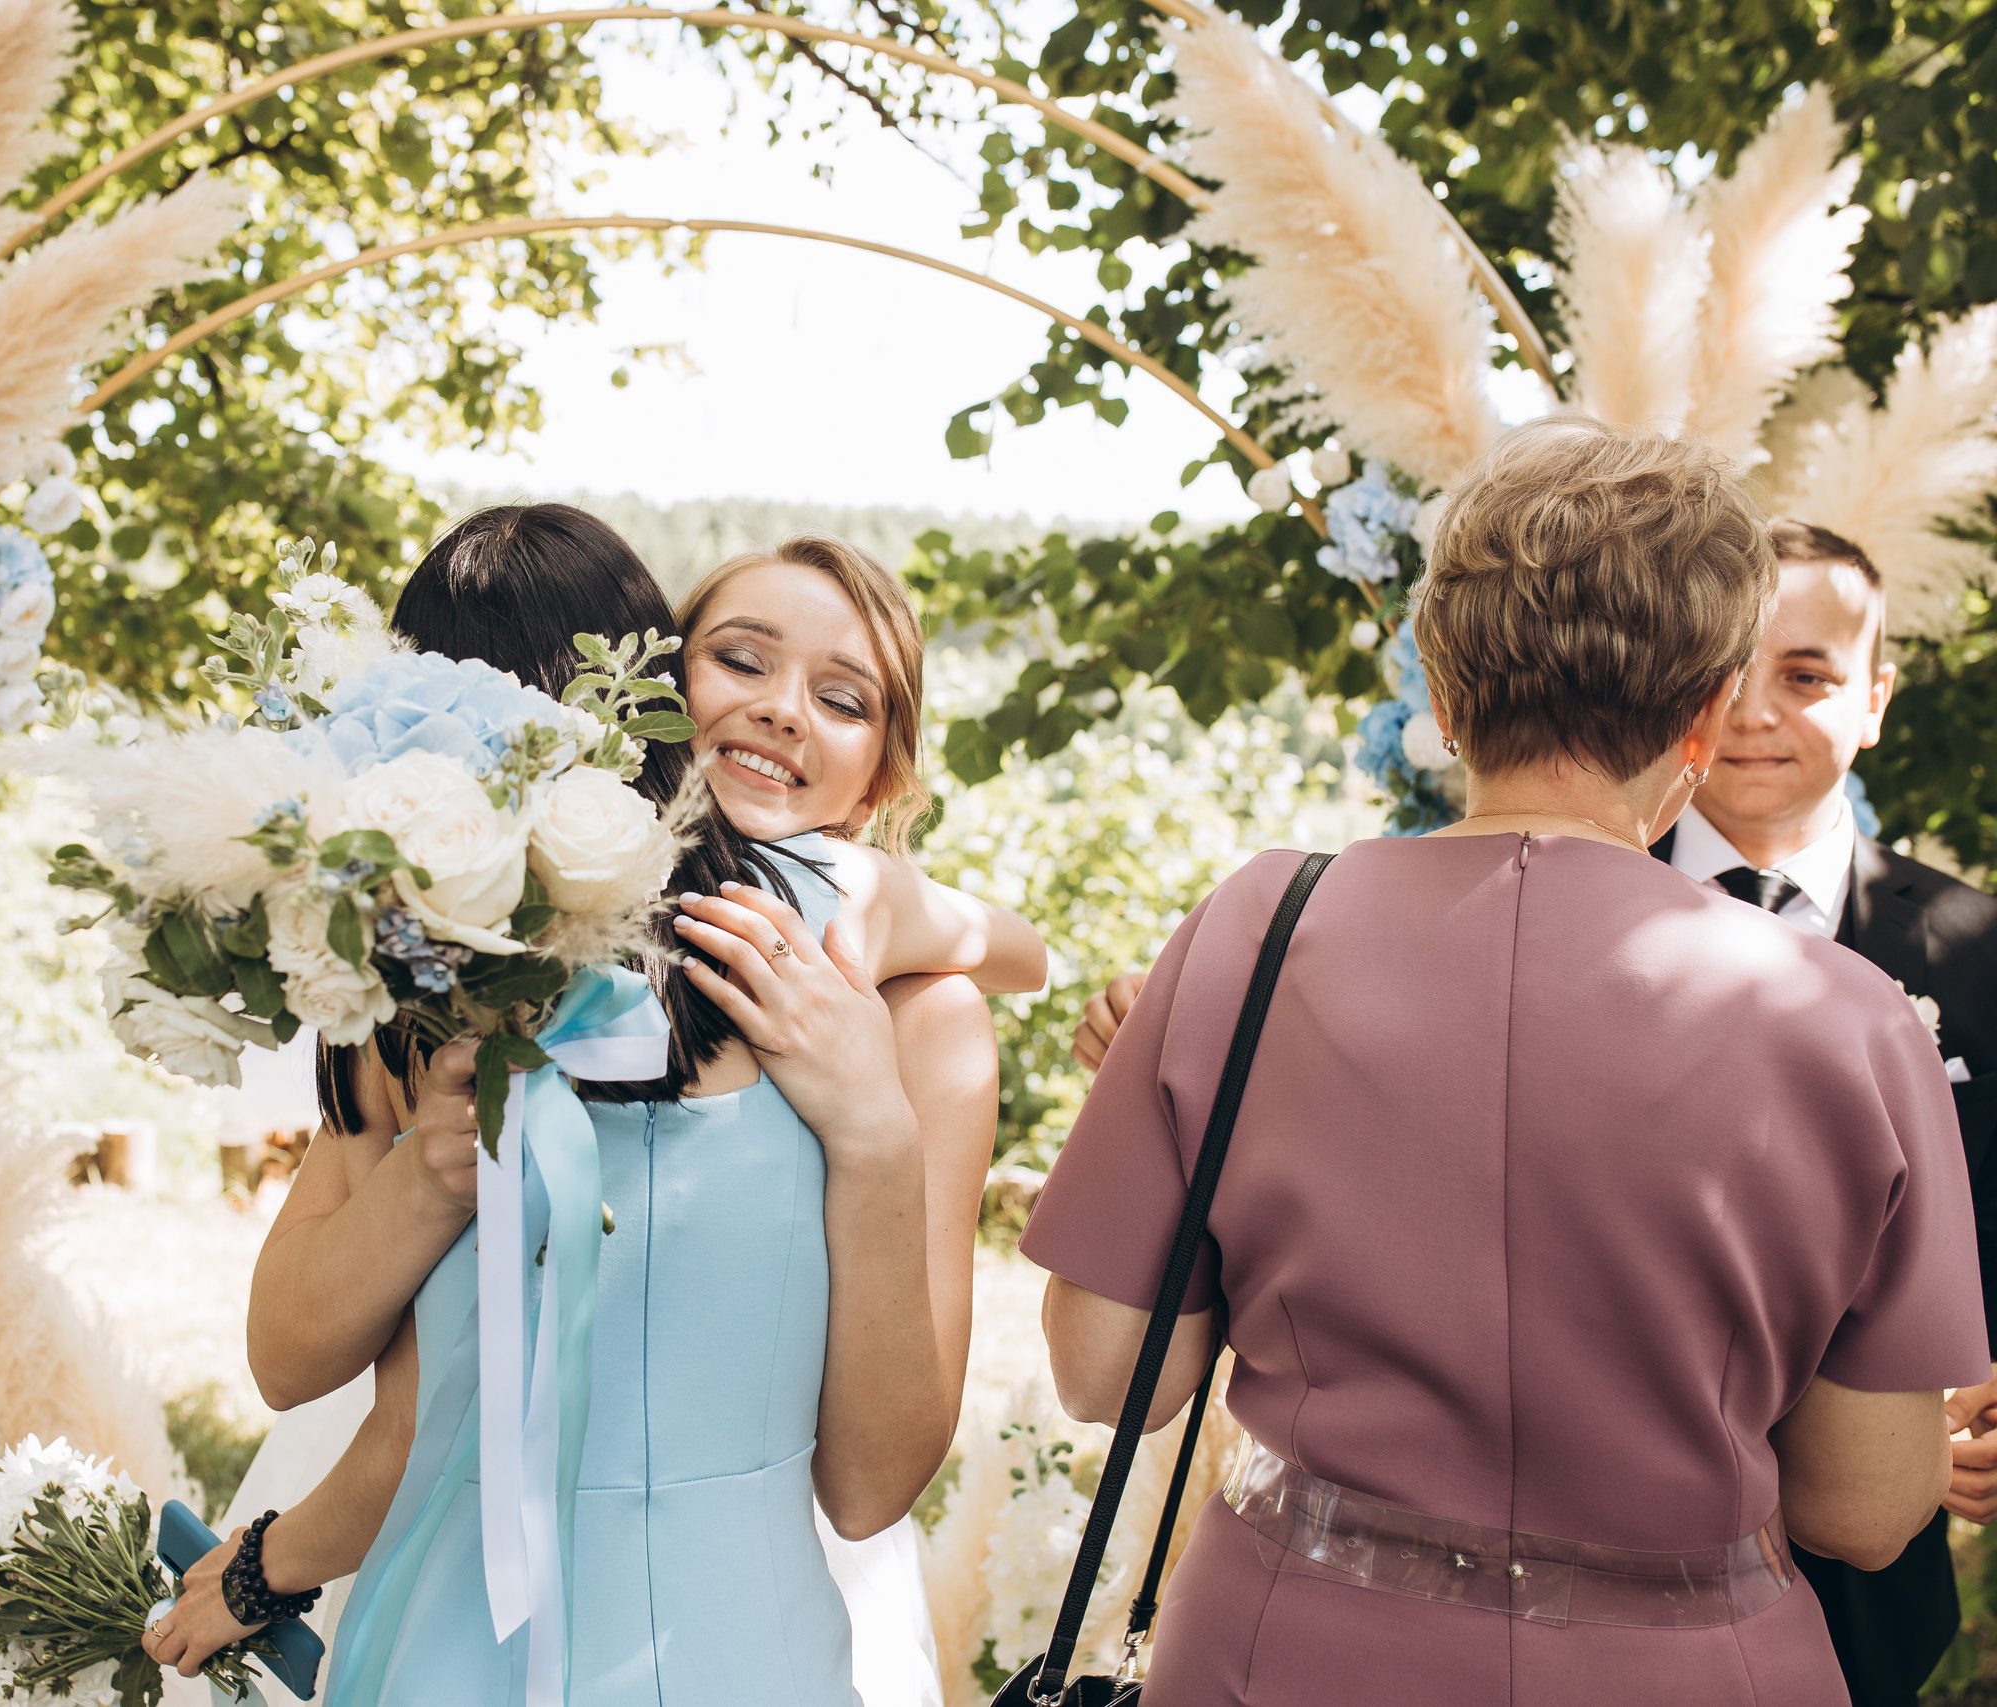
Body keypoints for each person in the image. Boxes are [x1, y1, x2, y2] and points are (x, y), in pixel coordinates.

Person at [1026, 418, 1983, 1706]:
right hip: (1689, 1670)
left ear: (1439, 674)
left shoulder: (1259, 925)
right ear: (1704, 711)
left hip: (1285, 1649)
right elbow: (1868, 1509)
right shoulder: (1848, 1015)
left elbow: (1105, 1374)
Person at [146, 511, 1038, 1705]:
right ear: (643, 689)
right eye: (739, 659)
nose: (779, 708)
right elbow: (331, 1381)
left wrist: (871, 1125)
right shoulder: (432, 990)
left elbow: (871, 1489)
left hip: (745, 1661)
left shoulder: (884, 977)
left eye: (843, 696)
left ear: (883, 772)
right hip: (441, 1656)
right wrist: (427, 1169)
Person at [1646, 517, 1997, 1707]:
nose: (1753, 712)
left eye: (1805, 674)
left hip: (1869, 1589)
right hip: (1611, 1549)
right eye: (1727, 670)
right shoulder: (1566, 907)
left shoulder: (1979, 949)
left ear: (1876, 696)